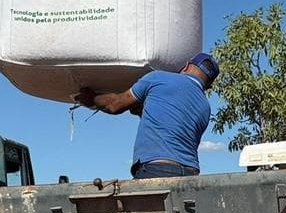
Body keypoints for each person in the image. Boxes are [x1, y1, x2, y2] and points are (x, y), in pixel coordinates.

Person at [76, 53, 219, 179]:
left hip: (157, 169)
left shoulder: (158, 78)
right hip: (191, 173)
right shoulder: (205, 107)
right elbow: (170, 124)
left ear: (186, 66)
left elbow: (114, 104)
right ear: (209, 85)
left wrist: (91, 99)